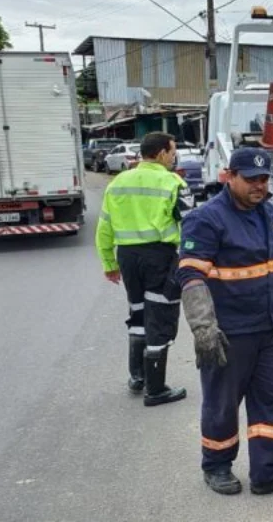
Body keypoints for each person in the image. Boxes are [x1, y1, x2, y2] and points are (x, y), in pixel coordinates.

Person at [176, 147, 273, 496]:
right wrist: (203, 328)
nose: (259, 185)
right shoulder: (206, 219)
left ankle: (268, 471)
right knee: (222, 404)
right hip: (229, 331)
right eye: (251, 179)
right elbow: (191, 278)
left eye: (264, 179)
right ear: (229, 176)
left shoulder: (269, 213)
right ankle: (217, 465)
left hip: (270, 329)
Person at [95, 131, 191, 407]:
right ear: (160, 153)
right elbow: (190, 224)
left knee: (137, 313)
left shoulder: (119, 182)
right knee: (160, 315)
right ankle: (156, 388)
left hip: (127, 257)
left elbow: (104, 225)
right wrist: (192, 259)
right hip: (159, 257)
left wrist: (108, 262)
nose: (174, 158)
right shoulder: (173, 182)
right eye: (172, 152)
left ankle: (137, 377)